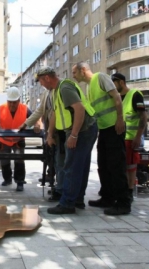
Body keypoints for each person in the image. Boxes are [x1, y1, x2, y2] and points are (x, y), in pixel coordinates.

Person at [36, 66, 97, 214]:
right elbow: (56, 113)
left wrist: (74, 135)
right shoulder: (56, 91)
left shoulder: (64, 87)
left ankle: (67, 203)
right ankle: (77, 200)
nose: (41, 85)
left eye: (41, 82)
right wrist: (50, 135)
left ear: (47, 78)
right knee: (79, 166)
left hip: (83, 130)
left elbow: (80, 109)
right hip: (84, 129)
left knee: (71, 166)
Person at [72, 62, 131, 215]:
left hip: (114, 127)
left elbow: (117, 96)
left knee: (116, 165)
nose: (73, 76)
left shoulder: (100, 78)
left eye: (74, 72)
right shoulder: (89, 87)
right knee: (103, 165)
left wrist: (119, 119)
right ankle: (107, 197)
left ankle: (123, 202)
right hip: (103, 129)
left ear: (83, 70)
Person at [19, 87, 66, 201]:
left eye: (40, 80)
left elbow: (55, 113)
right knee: (55, 162)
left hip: (61, 132)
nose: (39, 84)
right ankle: (59, 188)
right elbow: (40, 111)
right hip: (53, 132)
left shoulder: (59, 90)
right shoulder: (46, 93)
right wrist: (26, 124)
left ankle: (62, 192)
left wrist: (49, 134)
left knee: (61, 163)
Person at [112, 72, 147, 200]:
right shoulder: (115, 97)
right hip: (118, 138)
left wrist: (138, 137)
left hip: (130, 138)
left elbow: (143, 117)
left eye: (114, 83)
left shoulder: (135, 95)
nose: (113, 86)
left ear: (121, 82)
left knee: (130, 166)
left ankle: (129, 191)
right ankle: (120, 190)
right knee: (119, 166)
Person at [0, 87, 32, 192]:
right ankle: (7, 179)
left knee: (19, 161)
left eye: (15, 102)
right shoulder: (0, 109)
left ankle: (19, 182)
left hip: (18, 140)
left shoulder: (25, 109)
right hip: (4, 140)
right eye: (10, 102)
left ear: (19, 100)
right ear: (7, 101)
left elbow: (34, 119)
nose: (12, 105)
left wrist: (36, 125)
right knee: (4, 162)